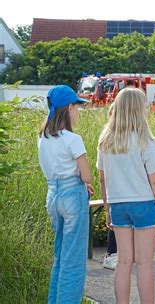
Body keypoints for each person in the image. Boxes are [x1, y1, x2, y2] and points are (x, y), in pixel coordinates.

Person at [97, 88, 155, 303]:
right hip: (144, 205)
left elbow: (103, 179)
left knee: (123, 262)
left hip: (118, 205)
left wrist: (108, 210)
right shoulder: (145, 141)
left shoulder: (106, 141)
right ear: (139, 110)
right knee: (145, 263)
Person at [38, 85, 94, 304]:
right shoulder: (72, 138)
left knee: (60, 256)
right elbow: (87, 176)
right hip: (73, 196)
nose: (78, 112)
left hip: (53, 194)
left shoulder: (43, 138)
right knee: (74, 260)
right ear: (69, 107)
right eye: (77, 107)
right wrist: (82, 182)